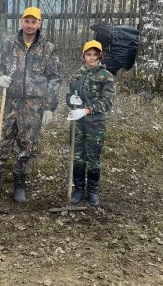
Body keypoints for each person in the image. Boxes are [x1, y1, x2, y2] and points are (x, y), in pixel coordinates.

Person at [0, 7, 61, 204]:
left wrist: (49, 106)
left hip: (34, 106)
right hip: (10, 102)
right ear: (21, 22)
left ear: (39, 24)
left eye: (34, 22)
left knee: (27, 145)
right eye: (27, 21)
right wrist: (0, 78)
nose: (30, 25)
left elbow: (54, 78)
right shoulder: (9, 44)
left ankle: (19, 184)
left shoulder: (48, 48)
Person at [66, 40, 115, 207]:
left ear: (100, 56)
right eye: (89, 54)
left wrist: (86, 110)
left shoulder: (106, 76)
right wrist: (70, 99)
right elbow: (69, 96)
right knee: (78, 156)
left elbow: (106, 103)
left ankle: (92, 191)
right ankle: (79, 189)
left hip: (95, 124)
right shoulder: (76, 75)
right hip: (77, 124)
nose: (92, 58)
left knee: (93, 158)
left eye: (95, 54)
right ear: (84, 56)